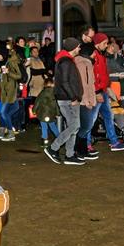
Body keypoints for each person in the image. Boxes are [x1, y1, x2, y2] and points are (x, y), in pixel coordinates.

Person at [44, 37, 86, 166]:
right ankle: (53, 148)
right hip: (68, 99)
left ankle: (69, 154)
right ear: (74, 48)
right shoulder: (66, 62)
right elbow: (66, 82)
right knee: (74, 126)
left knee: (73, 127)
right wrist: (73, 97)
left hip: (68, 98)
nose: (79, 48)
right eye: (78, 46)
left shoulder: (65, 60)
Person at [33, 72, 60, 147]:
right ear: (52, 84)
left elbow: (37, 102)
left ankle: (44, 140)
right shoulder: (54, 94)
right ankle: (59, 138)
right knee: (53, 126)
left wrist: (34, 110)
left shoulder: (42, 93)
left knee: (44, 126)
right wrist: (58, 113)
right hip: (51, 113)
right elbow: (56, 104)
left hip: (42, 113)